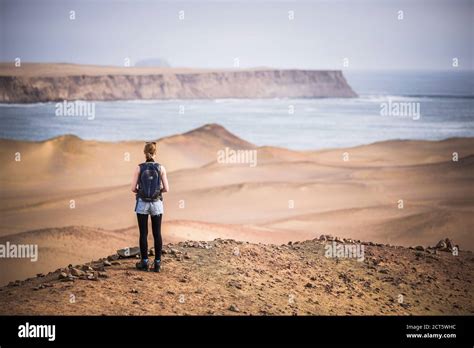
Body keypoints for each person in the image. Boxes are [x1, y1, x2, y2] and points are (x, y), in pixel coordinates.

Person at [131, 142, 169, 272]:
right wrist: (157, 192)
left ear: (144, 153)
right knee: (157, 233)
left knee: (143, 233)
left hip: (142, 203)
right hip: (157, 204)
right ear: (155, 153)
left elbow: (133, 188)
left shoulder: (139, 168)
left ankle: (144, 262)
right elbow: (167, 189)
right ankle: (157, 264)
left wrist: (141, 192)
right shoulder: (161, 168)